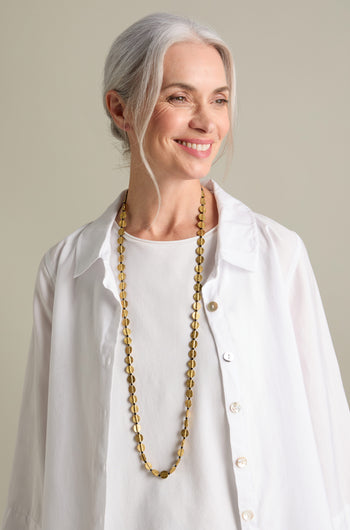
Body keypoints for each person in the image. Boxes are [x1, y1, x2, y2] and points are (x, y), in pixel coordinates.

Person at [1, 12, 350, 530]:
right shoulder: (69, 269)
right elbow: (40, 461)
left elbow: (330, 451)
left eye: (220, 99)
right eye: (179, 97)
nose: (207, 122)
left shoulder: (276, 257)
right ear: (121, 109)